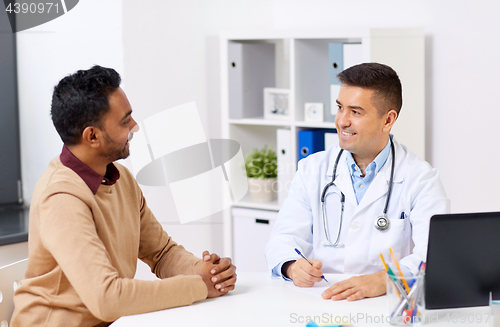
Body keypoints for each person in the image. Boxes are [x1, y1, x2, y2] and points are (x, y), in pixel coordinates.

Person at [11, 65, 237, 327]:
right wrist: (198, 286)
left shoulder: (120, 178)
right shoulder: (61, 198)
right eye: (125, 120)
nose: (135, 126)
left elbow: (161, 252)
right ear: (92, 136)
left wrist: (204, 271)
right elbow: (107, 298)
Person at [265, 62, 449, 301]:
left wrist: (385, 279)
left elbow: (434, 256)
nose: (342, 121)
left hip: (385, 304)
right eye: (340, 108)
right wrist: (292, 265)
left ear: (388, 120)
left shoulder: (421, 179)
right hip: (322, 299)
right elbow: (282, 238)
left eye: (355, 112)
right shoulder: (312, 169)